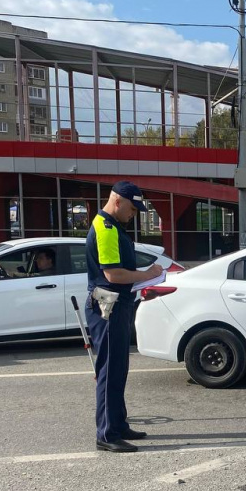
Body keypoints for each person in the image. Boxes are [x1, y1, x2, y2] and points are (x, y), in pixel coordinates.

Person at [86, 181, 162, 453]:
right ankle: (107, 434)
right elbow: (113, 274)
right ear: (117, 201)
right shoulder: (106, 229)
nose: (134, 214)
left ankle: (118, 424)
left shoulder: (114, 226)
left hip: (116, 305)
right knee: (109, 372)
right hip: (108, 308)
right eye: (132, 208)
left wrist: (142, 287)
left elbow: (119, 276)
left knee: (118, 369)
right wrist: (148, 275)